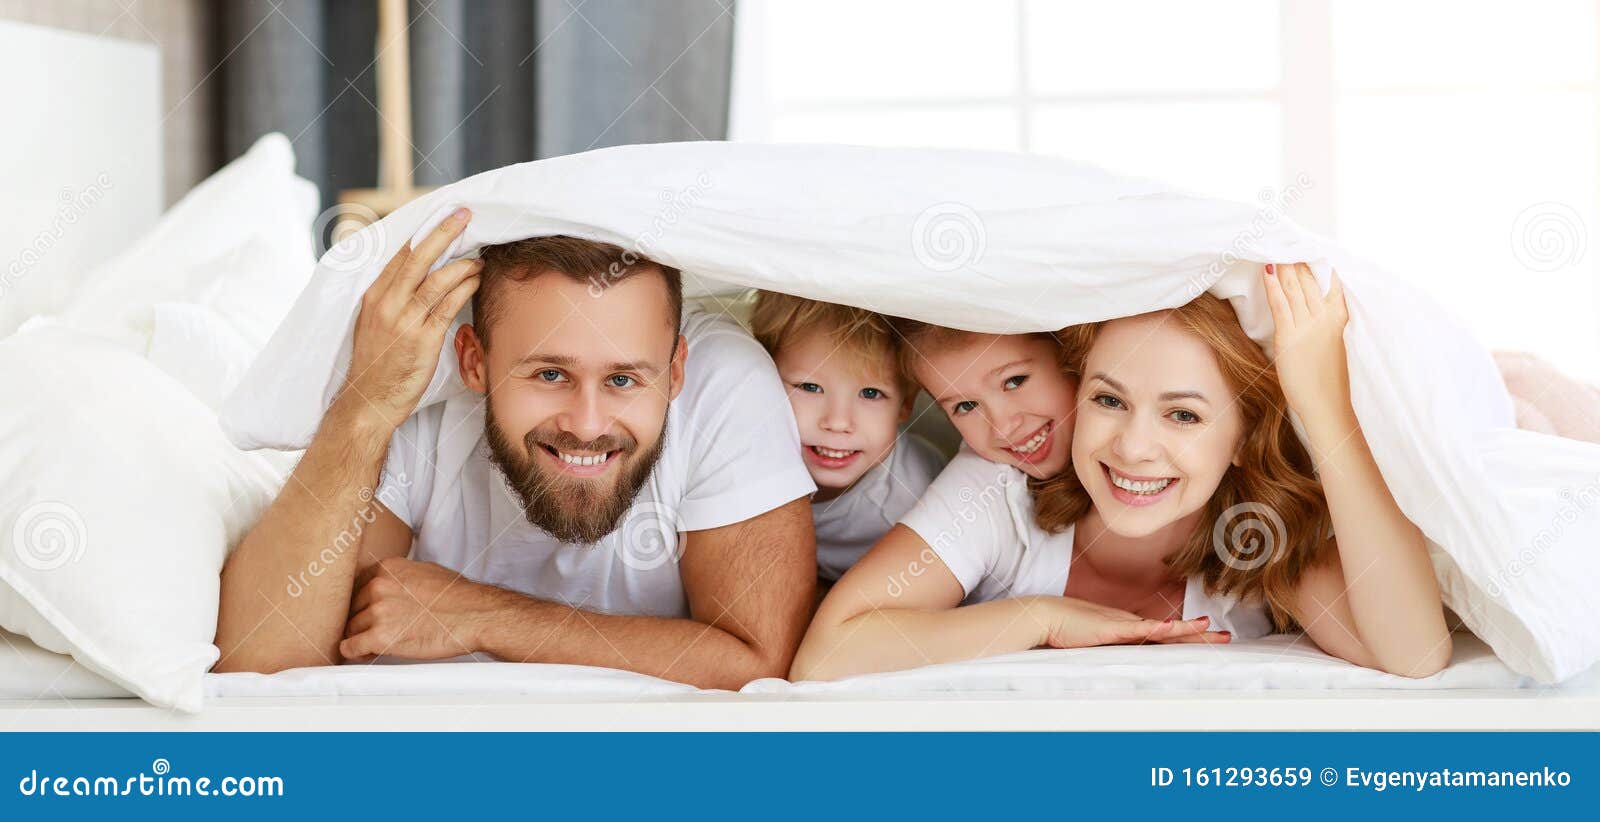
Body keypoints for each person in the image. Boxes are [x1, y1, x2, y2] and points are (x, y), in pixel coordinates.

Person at [216, 210, 819, 690]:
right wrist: (365, 405)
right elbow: (261, 664)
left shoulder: (725, 383)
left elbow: (759, 664)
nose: (586, 426)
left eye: (623, 380)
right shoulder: (414, 395)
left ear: (676, 369)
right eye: (550, 375)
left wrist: (482, 615)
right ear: (473, 361)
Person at [792, 264, 1451, 680]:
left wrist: (1328, 409)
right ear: (1079, 387)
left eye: (1184, 416)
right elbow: (828, 655)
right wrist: (1041, 619)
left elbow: (1414, 654)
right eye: (1109, 401)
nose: (1134, 448)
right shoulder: (994, 487)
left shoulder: (1254, 527)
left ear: (1243, 439)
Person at [749, 292, 946, 585]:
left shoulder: (913, 501)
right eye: (810, 387)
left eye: (870, 393)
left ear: (905, 405)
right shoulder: (743, 459)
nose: (838, 422)